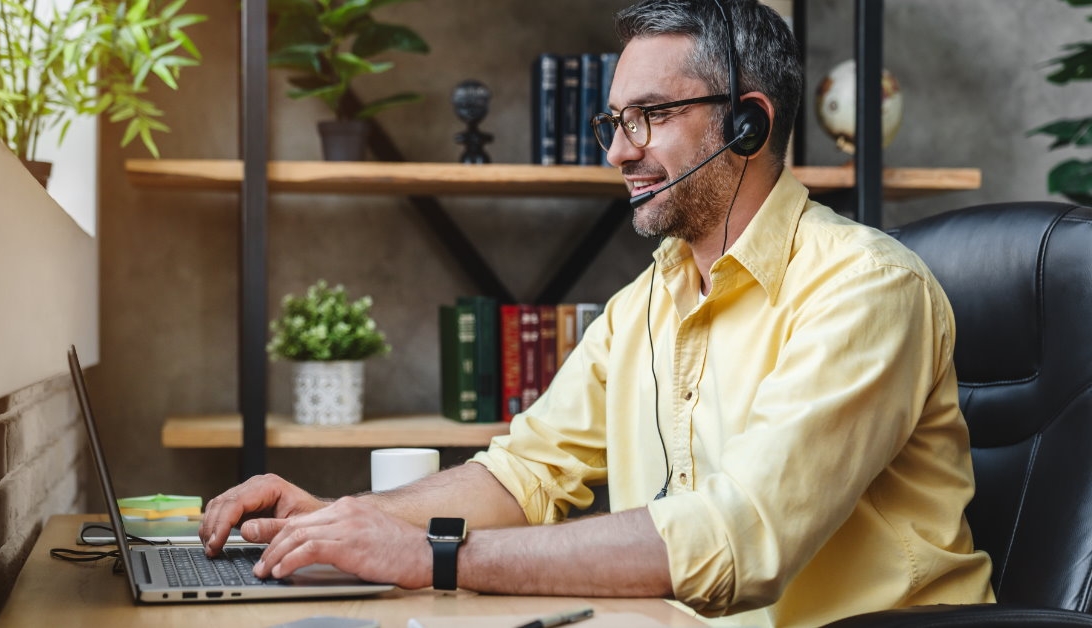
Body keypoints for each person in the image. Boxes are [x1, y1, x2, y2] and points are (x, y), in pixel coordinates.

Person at [200, 0, 995, 625]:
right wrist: (343, 520)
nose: (618, 151)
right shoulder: (644, 302)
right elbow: (523, 475)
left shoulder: (865, 289)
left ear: (746, 123)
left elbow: (734, 541)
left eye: (650, 115)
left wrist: (433, 557)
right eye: (615, 122)